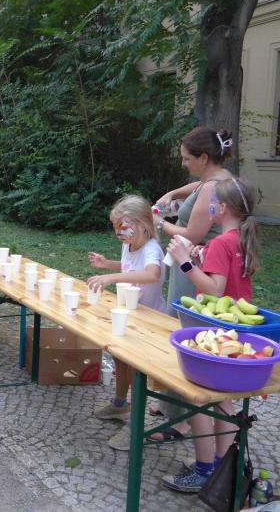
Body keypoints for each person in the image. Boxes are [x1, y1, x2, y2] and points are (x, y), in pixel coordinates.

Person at [161, 177, 260, 493]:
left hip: (213, 333)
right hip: (234, 332)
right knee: (223, 400)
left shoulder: (222, 242)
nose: (210, 206)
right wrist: (202, 255)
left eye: (213, 202)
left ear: (224, 208)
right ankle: (221, 466)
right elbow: (229, 278)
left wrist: (185, 262)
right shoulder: (241, 238)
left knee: (198, 397)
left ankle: (204, 470)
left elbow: (215, 289)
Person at [86, 195, 166, 450]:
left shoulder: (152, 248)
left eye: (123, 225)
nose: (118, 232)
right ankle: (120, 405)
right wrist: (107, 264)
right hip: (130, 315)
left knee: (138, 373)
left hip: (150, 321)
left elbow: (151, 273)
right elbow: (129, 266)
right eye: (115, 226)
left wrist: (111, 277)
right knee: (120, 359)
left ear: (143, 223)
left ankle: (135, 427)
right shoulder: (130, 244)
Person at [155, 127, 235, 314]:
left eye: (187, 158)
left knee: (183, 317)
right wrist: (172, 194)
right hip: (198, 261)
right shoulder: (220, 177)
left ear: (204, 158)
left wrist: (158, 221)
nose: (183, 163)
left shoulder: (211, 188)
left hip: (196, 265)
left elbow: (191, 235)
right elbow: (198, 185)